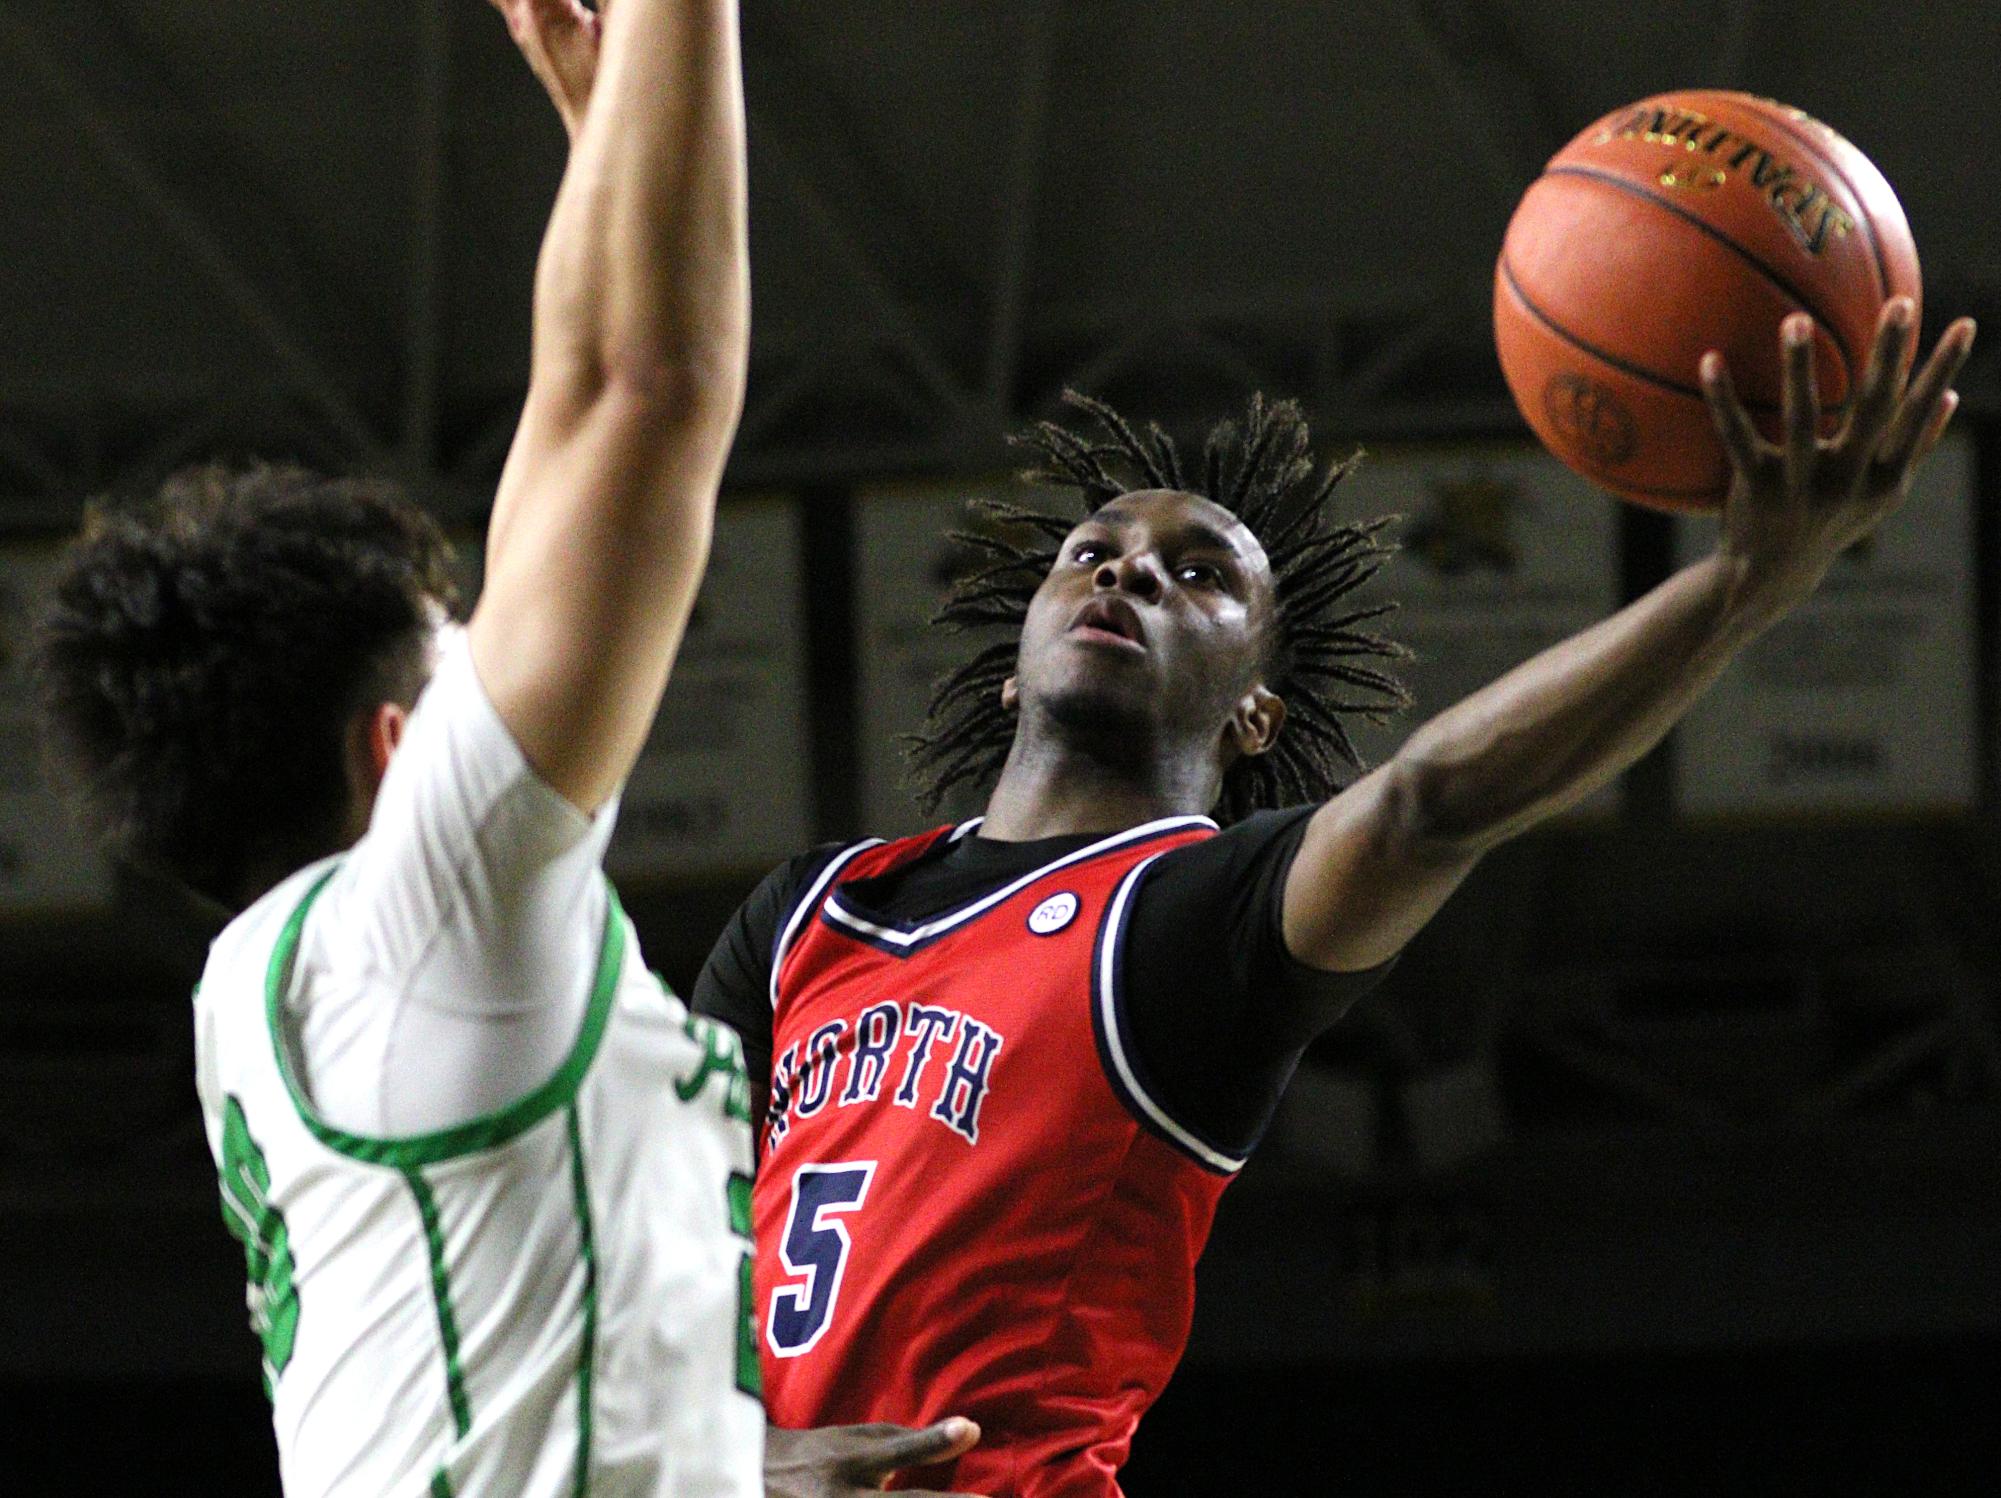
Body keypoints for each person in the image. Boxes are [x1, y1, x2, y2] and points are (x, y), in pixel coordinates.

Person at [689, 297, 1974, 1498]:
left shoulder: (1194, 920)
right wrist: (741, 1456)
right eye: (1095, 551)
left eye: (1200, 576)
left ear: (1256, 713)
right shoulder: (817, 909)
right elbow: (640, 1235)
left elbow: (1432, 802)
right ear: (1012, 671)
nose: (1130, 572)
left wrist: (1742, 587)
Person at [33, 1, 976, 1493]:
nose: (509, 653)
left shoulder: (300, 978)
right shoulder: (421, 919)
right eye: (460, 651)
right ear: (403, 749)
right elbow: (635, 392)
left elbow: (576, 430)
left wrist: (610, 145)